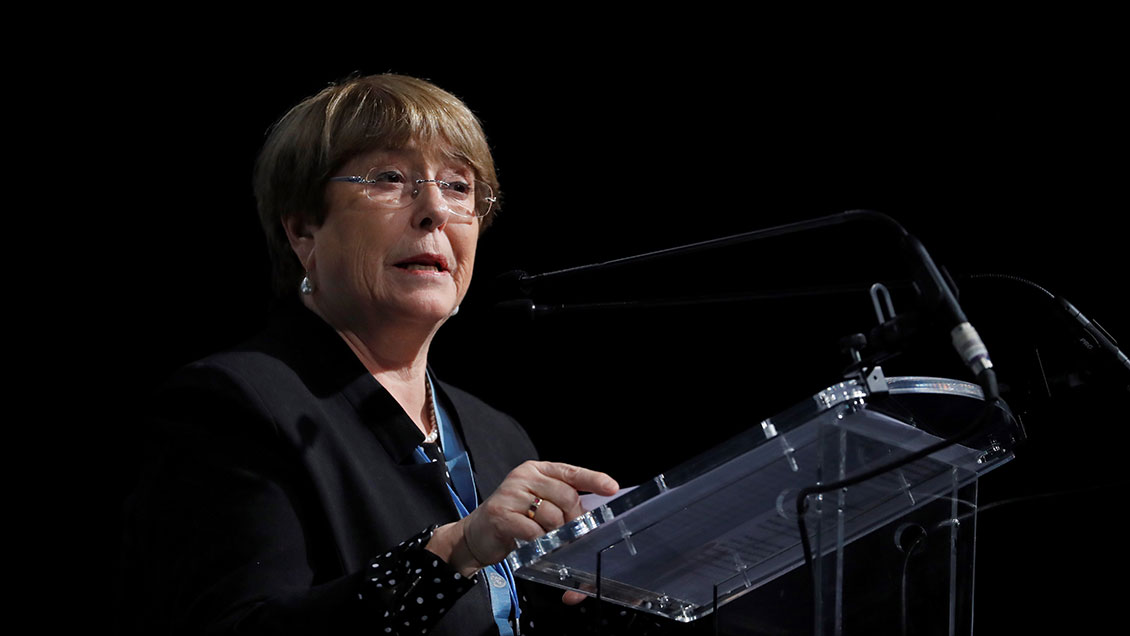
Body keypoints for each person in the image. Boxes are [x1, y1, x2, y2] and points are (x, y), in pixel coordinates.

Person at [118, 73, 621, 636]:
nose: (434, 210)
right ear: (303, 230)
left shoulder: (497, 434)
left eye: (459, 186)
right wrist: (451, 552)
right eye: (389, 178)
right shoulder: (232, 406)